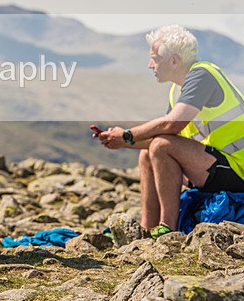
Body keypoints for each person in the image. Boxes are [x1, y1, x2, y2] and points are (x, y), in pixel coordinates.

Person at [98, 25, 244, 238]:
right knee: (148, 152)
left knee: (160, 147)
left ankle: (168, 228)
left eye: (154, 58)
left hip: (237, 168)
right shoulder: (178, 89)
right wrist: (120, 141)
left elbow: (171, 125)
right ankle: (147, 228)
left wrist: (127, 134)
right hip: (216, 164)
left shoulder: (203, 75)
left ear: (174, 61)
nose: (150, 65)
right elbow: (165, 135)